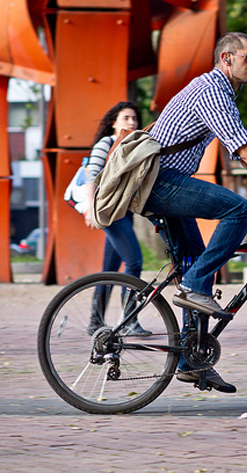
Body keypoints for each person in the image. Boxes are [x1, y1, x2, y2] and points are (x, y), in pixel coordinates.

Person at [142, 32, 247, 393]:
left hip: (165, 183)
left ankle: (192, 361)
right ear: (226, 58)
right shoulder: (213, 90)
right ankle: (192, 286)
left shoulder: (221, 93)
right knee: (240, 210)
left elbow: (245, 158)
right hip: (162, 182)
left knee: (198, 271)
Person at [84, 102, 150, 336]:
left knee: (109, 269)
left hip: (123, 212)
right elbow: (92, 175)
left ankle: (95, 321)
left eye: (134, 118)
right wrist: (92, 209)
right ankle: (130, 321)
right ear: (114, 122)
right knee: (134, 262)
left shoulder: (134, 144)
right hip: (109, 211)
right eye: (126, 118)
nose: (131, 122)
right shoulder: (107, 143)